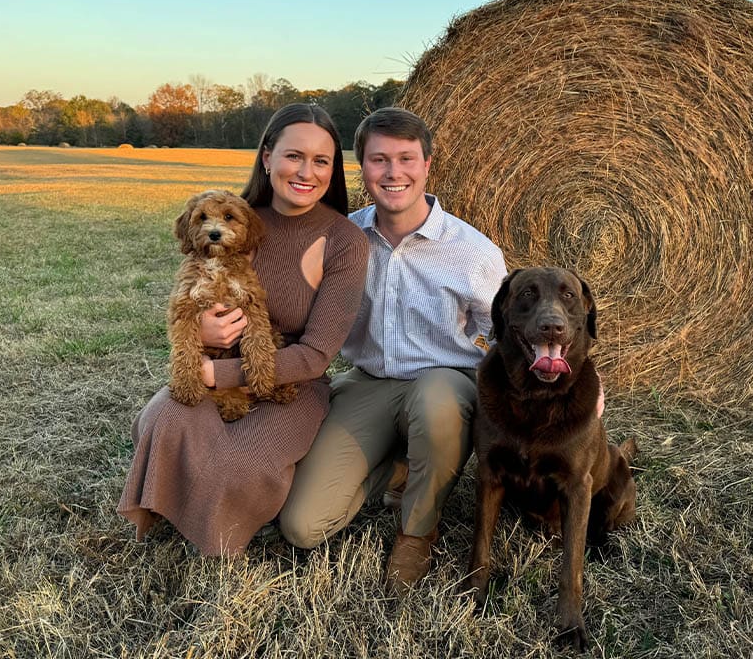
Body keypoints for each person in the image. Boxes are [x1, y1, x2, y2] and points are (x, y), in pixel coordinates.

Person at [118, 103, 369, 556]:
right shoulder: (235, 218)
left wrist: (221, 375)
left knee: (238, 461)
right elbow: (190, 302)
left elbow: (316, 355)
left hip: (292, 380)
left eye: (321, 161)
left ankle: (221, 529)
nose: (306, 172)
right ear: (268, 156)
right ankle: (174, 509)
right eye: (294, 156)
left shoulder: (346, 241)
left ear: (334, 170)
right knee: (163, 420)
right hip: (212, 361)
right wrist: (204, 333)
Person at [278, 107, 507, 593]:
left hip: (447, 381)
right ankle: (399, 466)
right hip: (370, 382)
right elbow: (293, 306)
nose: (393, 172)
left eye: (406, 158)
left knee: (435, 399)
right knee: (302, 526)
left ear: (427, 165)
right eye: (379, 160)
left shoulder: (472, 250)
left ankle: (416, 532)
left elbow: (507, 330)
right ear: (362, 167)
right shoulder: (342, 237)